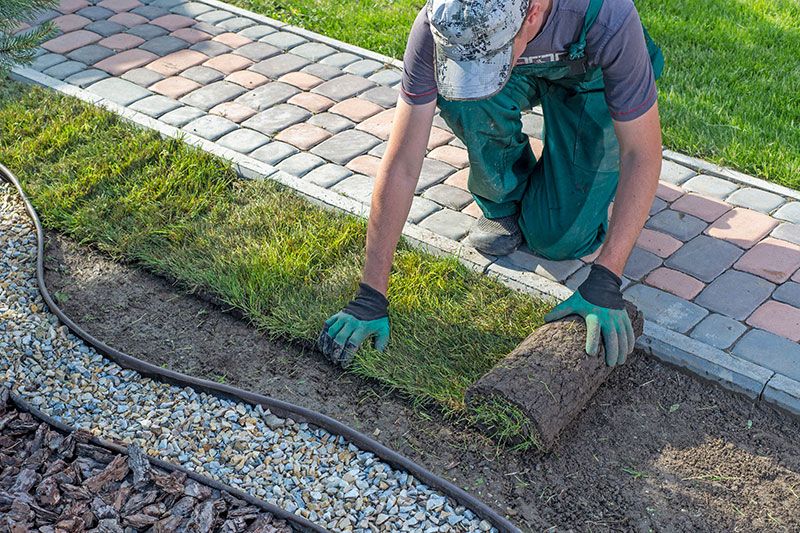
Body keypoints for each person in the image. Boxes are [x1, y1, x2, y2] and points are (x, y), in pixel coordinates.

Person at [317, 0, 664, 369]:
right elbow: (402, 161)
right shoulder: (444, 24)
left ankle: (570, 162)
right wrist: (371, 294)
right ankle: (503, 201)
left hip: (589, 79)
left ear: (533, 14)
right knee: (464, 97)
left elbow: (641, 154)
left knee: (558, 239)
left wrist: (606, 278)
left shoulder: (608, 15)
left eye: (484, 61)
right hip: (516, 70)